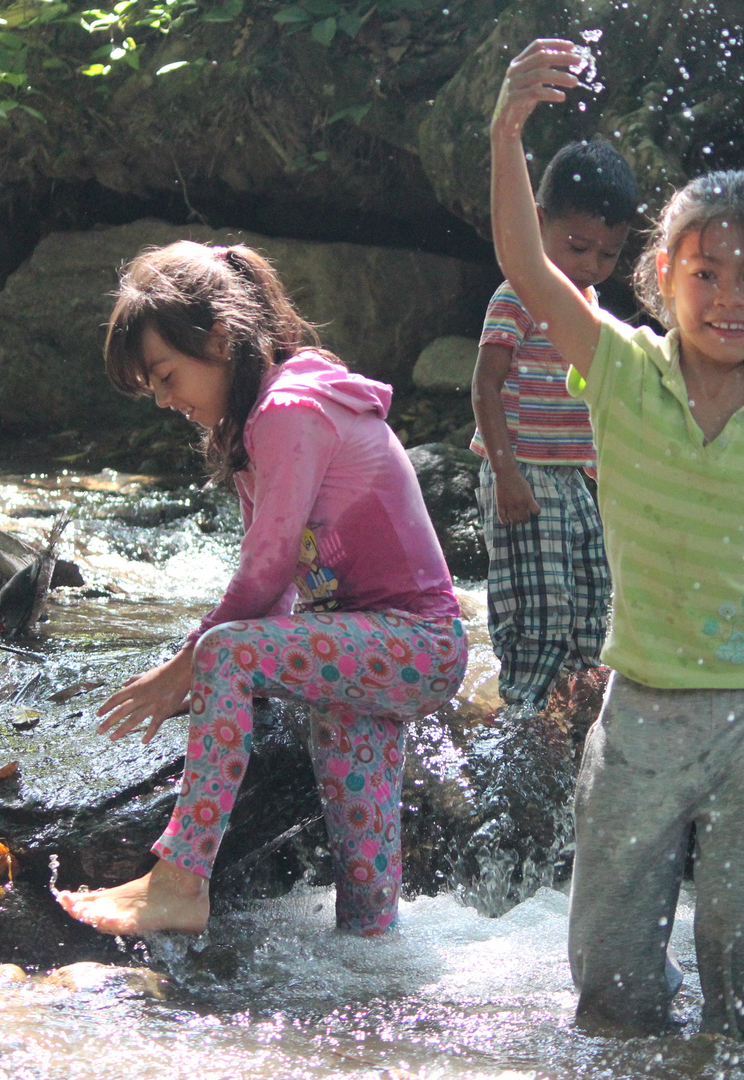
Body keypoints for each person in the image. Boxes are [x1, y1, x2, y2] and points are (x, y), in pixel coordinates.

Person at [489, 41, 744, 1042]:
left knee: (739, 955)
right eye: (705, 273)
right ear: (662, 275)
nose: (730, 299)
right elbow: (523, 267)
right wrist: (505, 129)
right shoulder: (621, 371)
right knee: (611, 978)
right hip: (641, 716)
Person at [57, 242, 467, 938]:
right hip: (358, 653)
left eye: (165, 375)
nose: (162, 399)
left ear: (219, 338)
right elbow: (274, 598)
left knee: (227, 653)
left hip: (415, 643)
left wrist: (188, 664)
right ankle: (375, 989)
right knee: (365, 905)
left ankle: (182, 879)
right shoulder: (258, 429)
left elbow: (265, 573)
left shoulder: (288, 412)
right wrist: (194, 662)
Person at [470, 139, 636, 710]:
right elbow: (485, 384)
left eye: (608, 255)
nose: (590, 265)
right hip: (523, 471)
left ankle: (569, 705)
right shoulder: (516, 295)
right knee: (540, 601)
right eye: (578, 246)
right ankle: (521, 715)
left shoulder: (589, 309)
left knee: (592, 591)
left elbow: (595, 396)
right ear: (539, 222)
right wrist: (505, 472)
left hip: (571, 475)